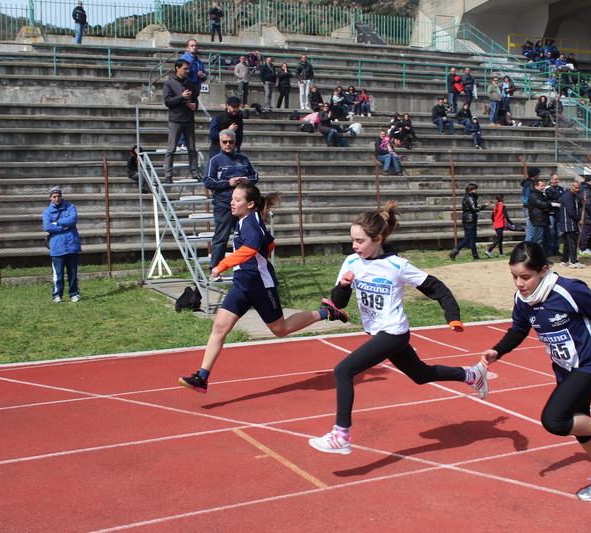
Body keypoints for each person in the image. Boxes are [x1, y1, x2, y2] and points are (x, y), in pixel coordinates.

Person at [308, 201, 488, 454]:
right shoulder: (351, 262)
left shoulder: (397, 266)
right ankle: (471, 375)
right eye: (353, 240)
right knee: (421, 375)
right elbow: (338, 304)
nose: (354, 246)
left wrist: (453, 316)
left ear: (378, 239)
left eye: (359, 241)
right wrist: (344, 286)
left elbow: (437, 288)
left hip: (393, 332)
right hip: (380, 332)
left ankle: (341, 435)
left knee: (343, 371)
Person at [480, 241, 591, 502]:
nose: (519, 283)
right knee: (580, 424)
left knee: (555, 420)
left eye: (525, 277)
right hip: (565, 368)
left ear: (543, 271)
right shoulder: (523, 299)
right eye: (514, 276)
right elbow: (518, 329)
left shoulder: (569, 291)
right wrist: (498, 351)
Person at [178, 184, 349, 394]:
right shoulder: (247, 220)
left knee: (280, 329)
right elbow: (269, 243)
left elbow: (250, 248)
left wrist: (223, 265)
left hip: (260, 285)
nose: (232, 202)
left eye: (237, 199)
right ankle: (202, 377)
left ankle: (327, 312)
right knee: (220, 327)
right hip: (243, 283)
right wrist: (260, 258)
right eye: (232, 199)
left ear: (250, 204)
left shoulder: (250, 222)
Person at [204, 129, 258, 276]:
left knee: (245, 238)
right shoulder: (215, 160)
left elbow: (255, 175)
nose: (228, 144)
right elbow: (208, 181)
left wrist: (248, 180)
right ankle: (214, 270)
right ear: (220, 143)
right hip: (224, 205)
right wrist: (228, 182)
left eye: (231, 142)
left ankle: (245, 269)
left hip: (243, 207)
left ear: (235, 142)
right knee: (221, 238)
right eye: (225, 142)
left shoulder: (243, 159)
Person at [162, 59, 200, 184]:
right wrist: (181, 97)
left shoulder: (191, 84)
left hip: (189, 119)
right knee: (171, 149)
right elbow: (168, 102)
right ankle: (168, 175)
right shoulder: (169, 83)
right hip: (176, 120)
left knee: (192, 148)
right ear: (177, 68)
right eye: (185, 68)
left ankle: (195, 173)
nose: (187, 71)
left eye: (188, 69)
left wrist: (195, 106)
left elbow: (195, 100)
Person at [43, 186, 81, 303]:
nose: (57, 198)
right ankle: (57, 294)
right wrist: (65, 227)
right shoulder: (47, 212)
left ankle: (74, 294)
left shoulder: (71, 207)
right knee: (58, 274)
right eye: (54, 197)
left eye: (58, 196)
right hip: (57, 247)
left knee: (73, 273)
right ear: (50, 198)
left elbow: (73, 220)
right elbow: (48, 227)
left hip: (72, 245)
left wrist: (57, 223)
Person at [449, 183, 492, 261]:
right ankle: (475, 256)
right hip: (470, 220)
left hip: (467, 219)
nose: (477, 191)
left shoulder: (467, 197)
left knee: (467, 238)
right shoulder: (470, 197)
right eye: (476, 189)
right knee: (472, 239)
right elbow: (474, 209)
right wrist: (484, 206)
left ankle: (455, 252)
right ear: (473, 190)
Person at [559, 180, 584, 268]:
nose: (577, 190)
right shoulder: (567, 196)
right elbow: (571, 212)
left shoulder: (573, 196)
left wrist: (582, 202)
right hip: (568, 223)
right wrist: (579, 220)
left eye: (578, 188)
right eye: (576, 188)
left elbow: (578, 201)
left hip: (571, 223)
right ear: (571, 187)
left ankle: (565, 260)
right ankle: (574, 260)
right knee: (572, 243)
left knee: (568, 243)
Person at [528, 178, 551, 252]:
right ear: (536, 186)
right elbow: (542, 204)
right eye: (542, 186)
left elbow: (546, 204)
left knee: (547, 239)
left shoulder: (541, 194)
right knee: (538, 240)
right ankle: (536, 257)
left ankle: (544, 256)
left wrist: (548, 206)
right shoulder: (533, 195)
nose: (543, 187)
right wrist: (548, 205)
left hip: (544, 219)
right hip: (538, 219)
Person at [578, 177, 591, 255]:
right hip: (587, 215)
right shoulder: (587, 191)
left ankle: (584, 247)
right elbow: (589, 203)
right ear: (590, 182)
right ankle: (583, 248)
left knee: (587, 231)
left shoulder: (584, 189)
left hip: (586, 214)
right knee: (587, 232)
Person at [544, 173, 564, 256]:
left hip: (559, 213)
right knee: (551, 233)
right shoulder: (547, 189)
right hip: (551, 213)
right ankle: (549, 249)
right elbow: (545, 201)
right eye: (555, 179)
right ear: (551, 179)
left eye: (558, 179)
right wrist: (555, 204)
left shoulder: (561, 189)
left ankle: (556, 249)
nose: (557, 181)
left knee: (558, 234)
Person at [521, 167, 538, 241]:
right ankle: (526, 248)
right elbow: (527, 198)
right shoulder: (529, 184)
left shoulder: (528, 183)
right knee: (531, 231)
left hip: (528, 208)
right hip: (529, 208)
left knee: (532, 231)